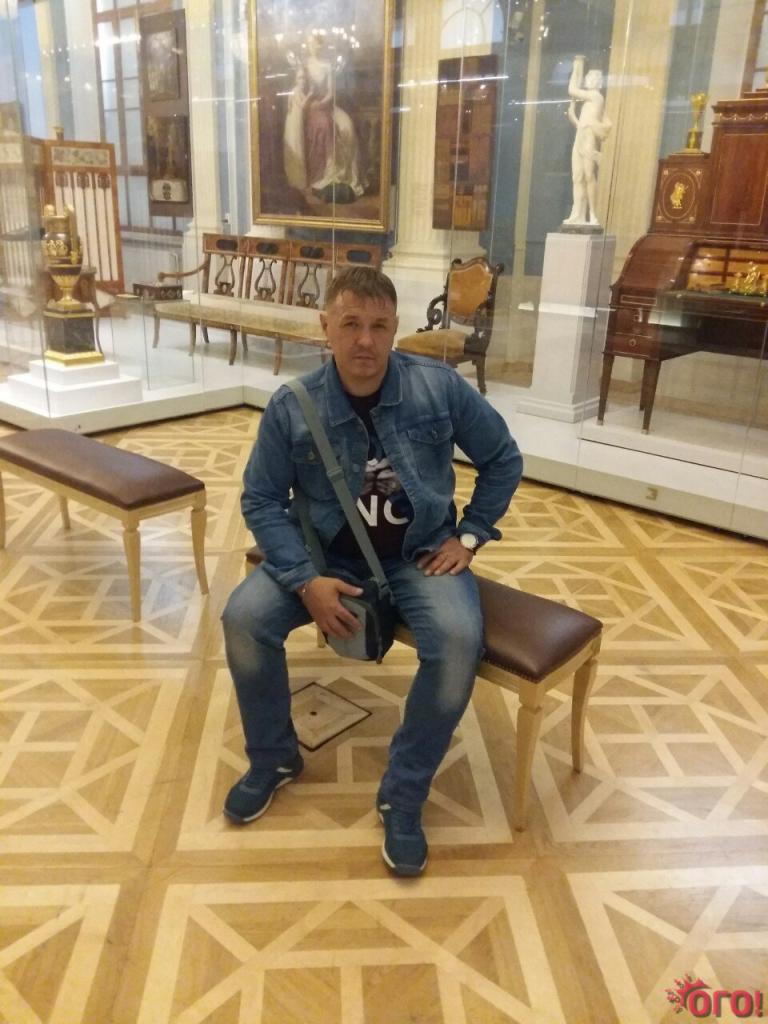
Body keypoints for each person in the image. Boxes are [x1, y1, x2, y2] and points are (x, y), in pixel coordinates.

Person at [221, 266, 523, 877]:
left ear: (395, 328)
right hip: (322, 556)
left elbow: (503, 457)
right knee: (243, 619)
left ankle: (403, 793)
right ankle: (274, 757)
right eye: (351, 324)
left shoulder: (438, 387)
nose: (365, 340)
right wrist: (304, 580)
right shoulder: (293, 406)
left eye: (379, 326)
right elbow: (261, 500)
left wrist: (470, 535)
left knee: (457, 642)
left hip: (419, 554)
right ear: (326, 326)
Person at [283, 31, 365, 202]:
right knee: (323, 124)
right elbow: (300, 86)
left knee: (346, 124)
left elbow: (330, 93)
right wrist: (302, 98)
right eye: (310, 44)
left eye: (316, 43)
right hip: (308, 106)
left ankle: (336, 173)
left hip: (325, 105)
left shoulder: (327, 66)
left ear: (321, 45)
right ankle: (318, 176)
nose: (313, 47)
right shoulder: (304, 66)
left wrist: (321, 104)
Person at [564, 56, 612, 227]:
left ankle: (592, 214)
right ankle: (577, 213)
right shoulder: (588, 102)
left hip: (589, 140)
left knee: (589, 175)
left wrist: (577, 66)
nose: (590, 80)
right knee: (577, 177)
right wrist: (573, 117)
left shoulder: (596, 97)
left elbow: (572, 89)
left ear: (599, 82)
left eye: (594, 78)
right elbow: (583, 125)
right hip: (580, 137)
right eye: (589, 77)